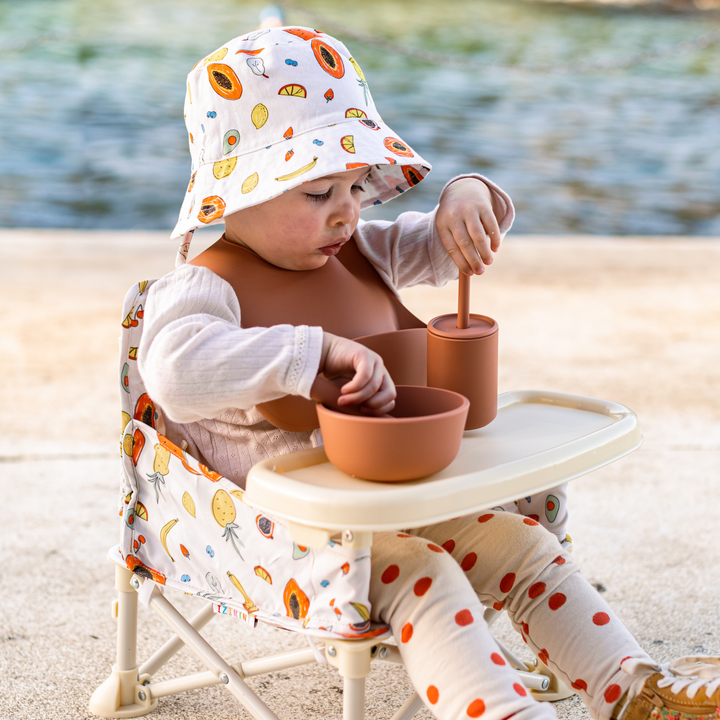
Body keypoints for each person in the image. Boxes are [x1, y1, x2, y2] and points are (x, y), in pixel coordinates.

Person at [138, 26, 720, 720]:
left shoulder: (357, 251)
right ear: (235, 195)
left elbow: (445, 246)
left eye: (356, 186)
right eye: (320, 192)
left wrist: (467, 196)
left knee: (524, 545)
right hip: (288, 543)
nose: (348, 211)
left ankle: (629, 689)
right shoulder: (202, 289)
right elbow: (174, 371)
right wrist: (308, 354)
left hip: (404, 504)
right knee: (427, 576)